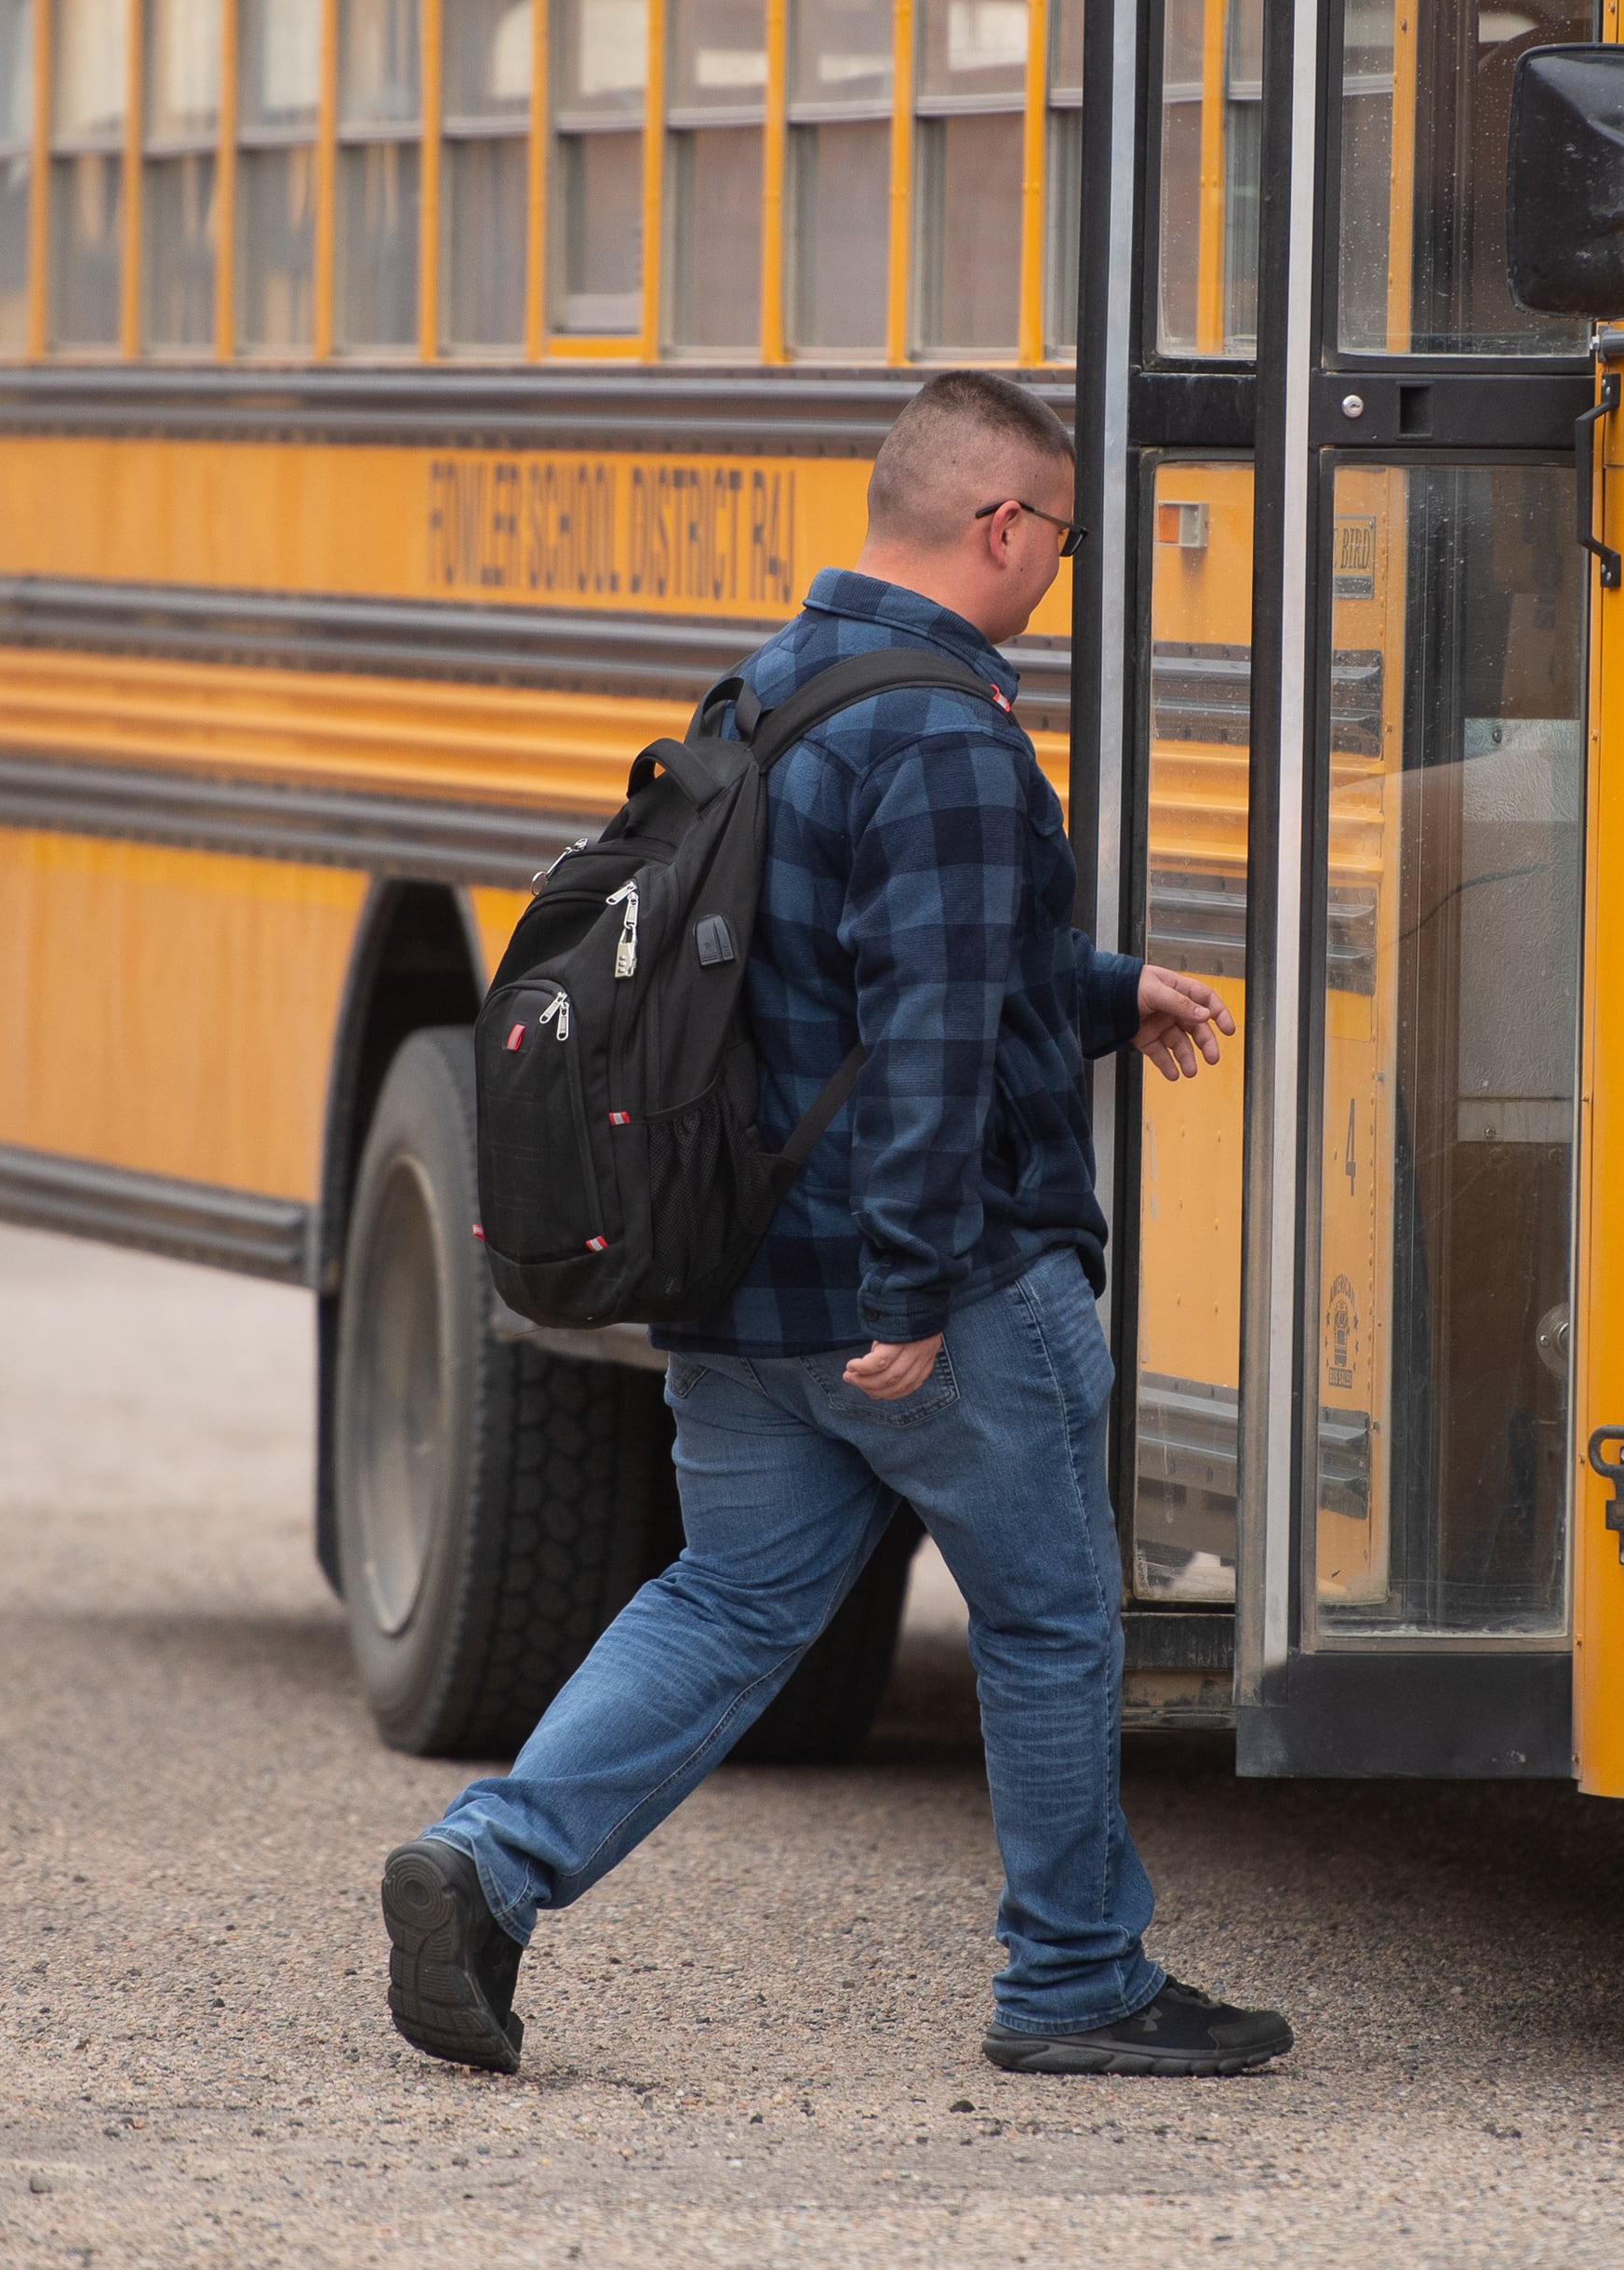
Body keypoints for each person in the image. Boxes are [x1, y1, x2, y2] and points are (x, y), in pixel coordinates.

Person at [382, 369, 1291, 2077]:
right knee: (1047, 1612)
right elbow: (931, 1029)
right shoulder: (951, 731)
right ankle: (1075, 1976)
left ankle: (485, 1867)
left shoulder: (773, 690)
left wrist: (1105, 990)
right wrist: (918, 1288)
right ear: (1000, 523)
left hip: (736, 1279)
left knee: (724, 1602)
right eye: (1061, 536)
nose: (1056, 569)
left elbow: (834, 978)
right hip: (922, 1286)